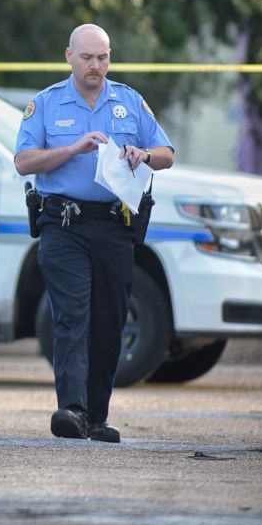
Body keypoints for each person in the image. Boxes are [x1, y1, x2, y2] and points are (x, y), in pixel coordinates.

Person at [15, 23, 173, 443]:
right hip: (63, 225)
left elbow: (166, 153)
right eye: (87, 57)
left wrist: (145, 154)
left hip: (113, 225)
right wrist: (71, 149)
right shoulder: (46, 104)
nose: (96, 66)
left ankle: (97, 416)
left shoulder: (129, 101)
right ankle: (72, 409)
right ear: (69, 56)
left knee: (109, 319)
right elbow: (24, 161)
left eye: (103, 57)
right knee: (72, 314)